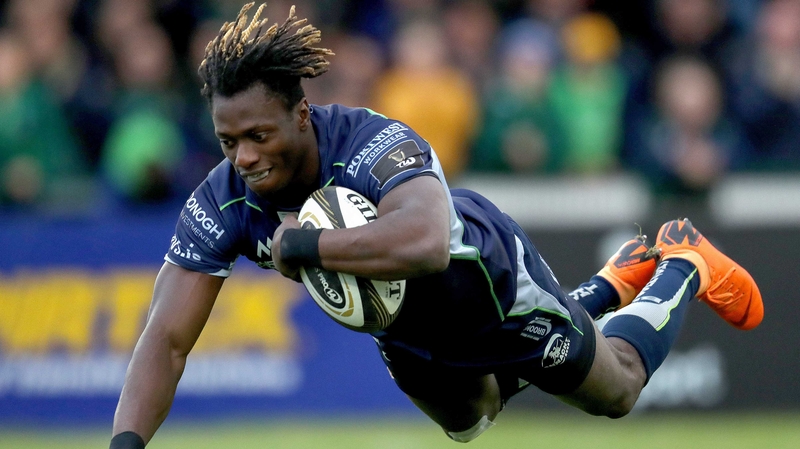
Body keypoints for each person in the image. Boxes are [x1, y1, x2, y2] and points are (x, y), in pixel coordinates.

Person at [109, 4, 764, 448]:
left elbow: (423, 244)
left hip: (488, 284)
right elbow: (165, 338)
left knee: (616, 390)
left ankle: (682, 262)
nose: (244, 156)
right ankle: (602, 288)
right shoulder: (224, 197)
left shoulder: (372, 142)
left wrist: (302, 244)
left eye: (258, 135)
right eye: (229, 142)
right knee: (470, 420)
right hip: (408, 331)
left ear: (301, 115)